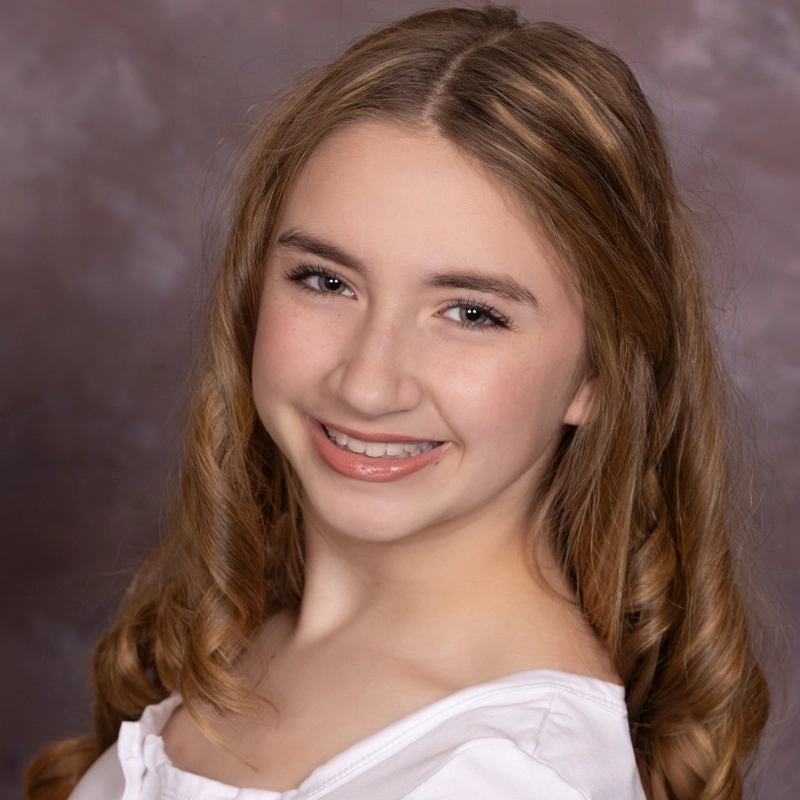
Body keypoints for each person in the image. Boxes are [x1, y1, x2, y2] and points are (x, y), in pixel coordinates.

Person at [25, 5, 770, 800]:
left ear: (601, 374)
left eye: (472, 313)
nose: (367, 384)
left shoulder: (508, 775)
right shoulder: (244, 634)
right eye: (327, 281)